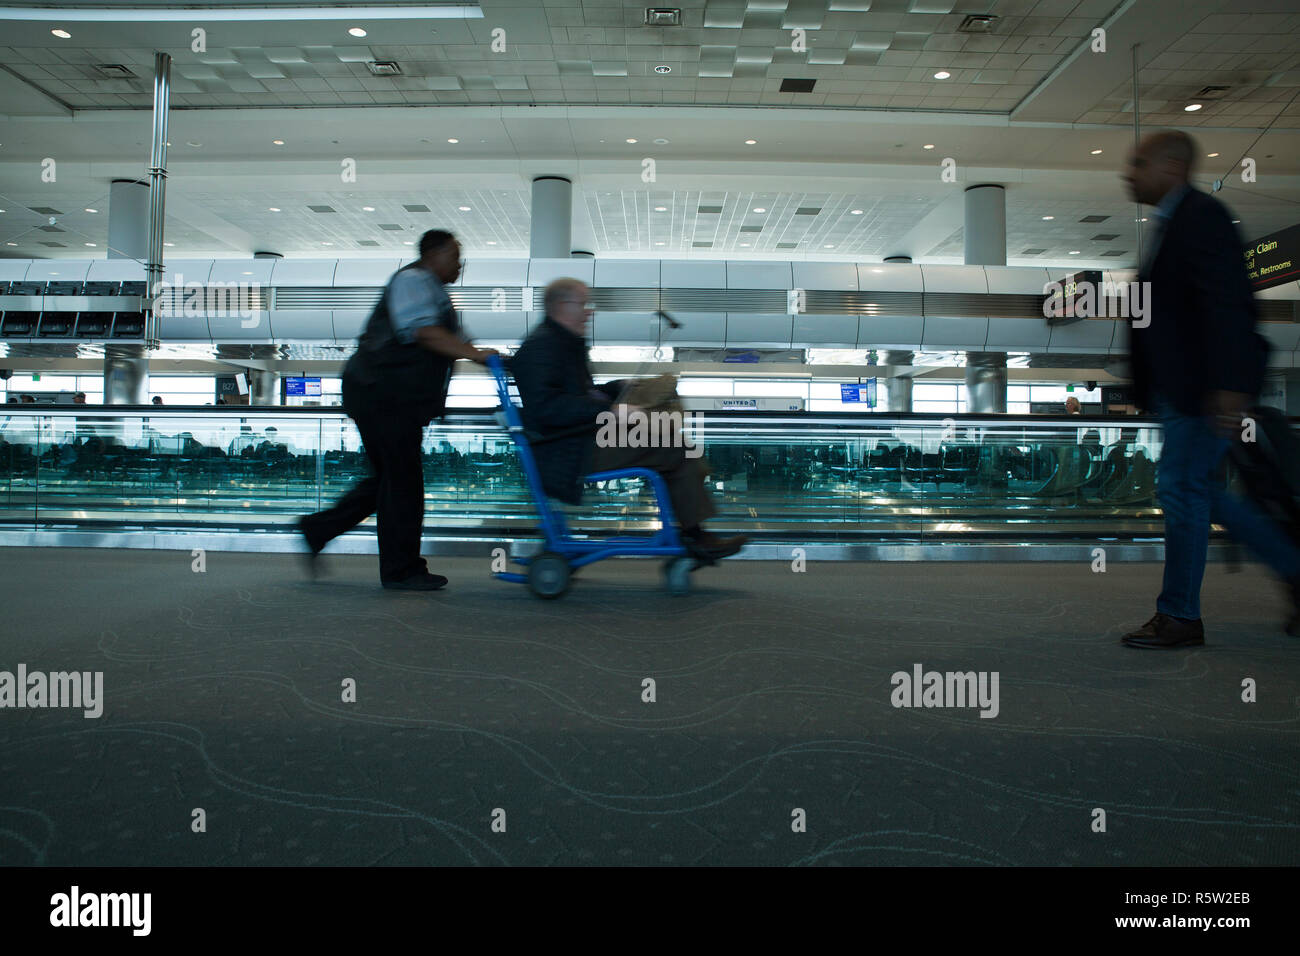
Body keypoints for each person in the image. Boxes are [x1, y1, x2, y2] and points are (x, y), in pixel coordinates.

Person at [1120, 129, 1300, 648]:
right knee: (1203, 495)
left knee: (1182, 489)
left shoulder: (1202, 217)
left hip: (1202, 391)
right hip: (1183, 392)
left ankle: (1180, 615)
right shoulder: (1172, 224)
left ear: (1172, 166)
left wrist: (1228, 385)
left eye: (1139, 163)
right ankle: (1295, 569)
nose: (1128, 174)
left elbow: (1229, 304)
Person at [298, 229, 496, 590]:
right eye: (454, 255)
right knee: (403, 481)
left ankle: (317, 528)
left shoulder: (437, 294)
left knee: (388, 479)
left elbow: (457, 341)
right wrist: (477, 355)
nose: (459, 264)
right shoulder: (412, 281)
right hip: (382, 394)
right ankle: (401, 570)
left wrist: (486, 357)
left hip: (385, 396)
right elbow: (424, 333)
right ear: (432, 255)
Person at [510, 277, 746, 561]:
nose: (590, 312)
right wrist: (609, 412)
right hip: (570, 450)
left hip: (580, 440)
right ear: (562, 305)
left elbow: (582, 394)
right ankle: (696, 536)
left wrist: (617, 387)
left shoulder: (560, 343)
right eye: (584, 304)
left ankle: (695, 530)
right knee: (674, 447)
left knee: (672, 435)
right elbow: (546, 408)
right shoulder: (541, 347)